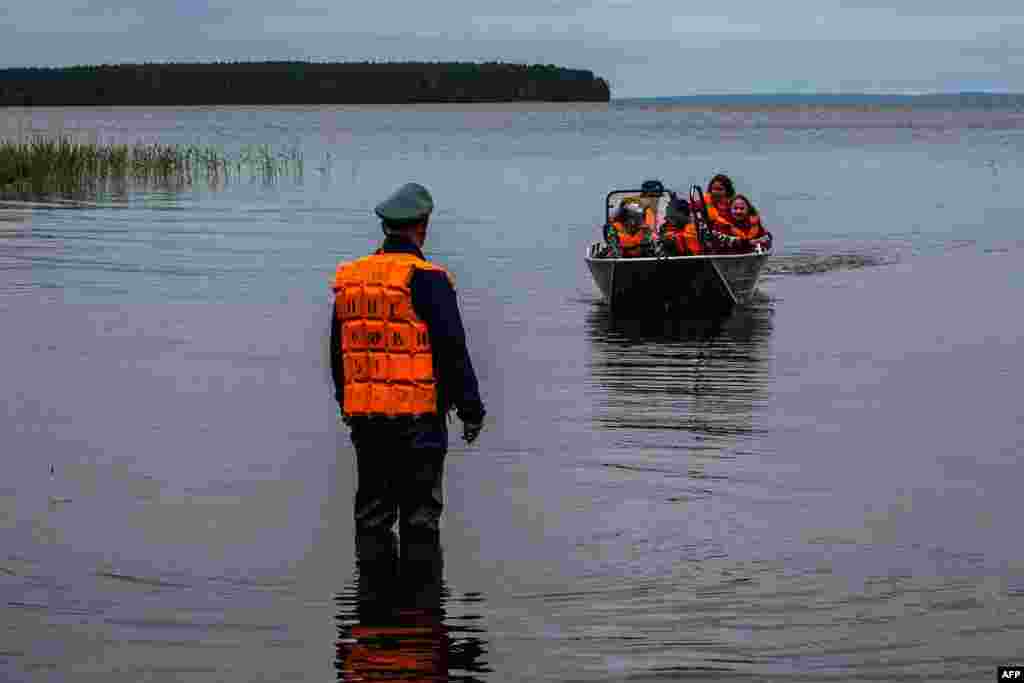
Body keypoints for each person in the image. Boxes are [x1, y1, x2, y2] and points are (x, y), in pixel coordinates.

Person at [330, 182, 486, 541]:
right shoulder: (429, 279)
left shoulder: (352, 279)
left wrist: (346, 404)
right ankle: (423, 593)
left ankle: (370, 593)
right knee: (420, 520)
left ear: (385, 227)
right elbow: (452, 351)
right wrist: (471, 410)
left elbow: (339, 353)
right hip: (420, 421)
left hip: (367, 421)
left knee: (372, 518)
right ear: (423, 226)